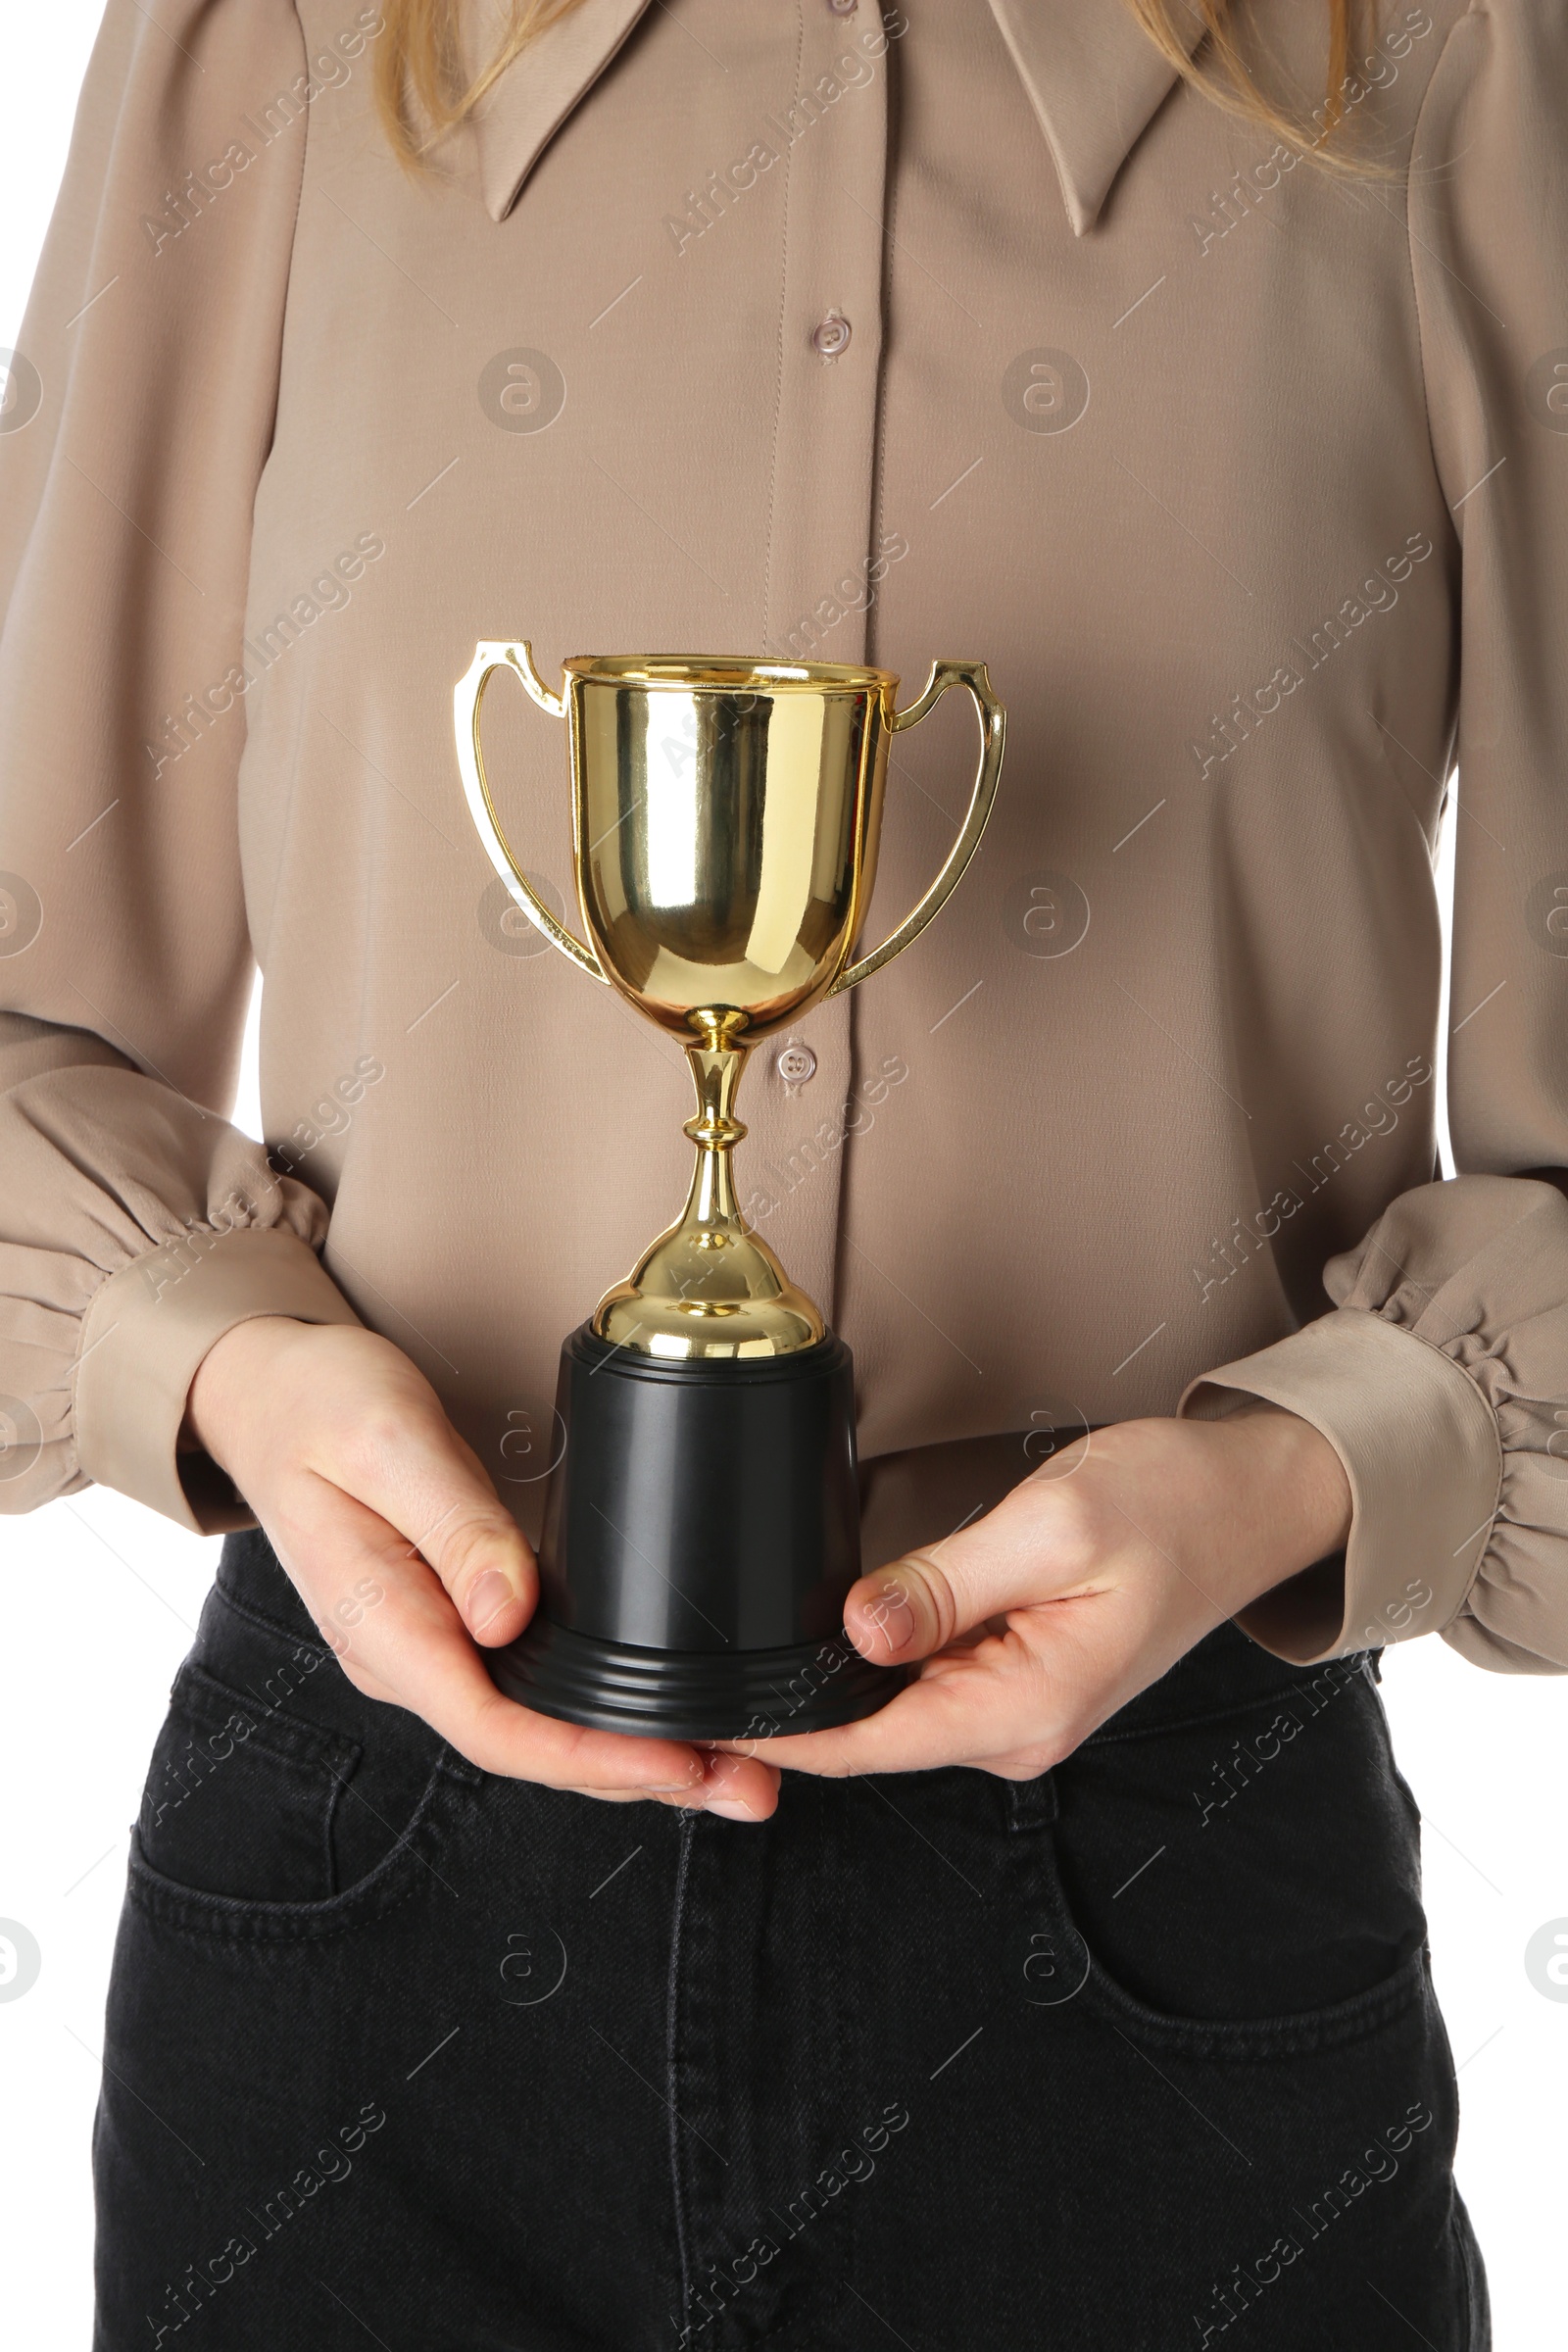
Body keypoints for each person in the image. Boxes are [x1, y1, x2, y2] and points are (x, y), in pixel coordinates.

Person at [2, 0, 1560, 2339]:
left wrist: (1310, 1474)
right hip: (367, 1896)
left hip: (1169, 1905)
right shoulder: (291, 38)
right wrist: (213, 1366)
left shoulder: (1446, 54)